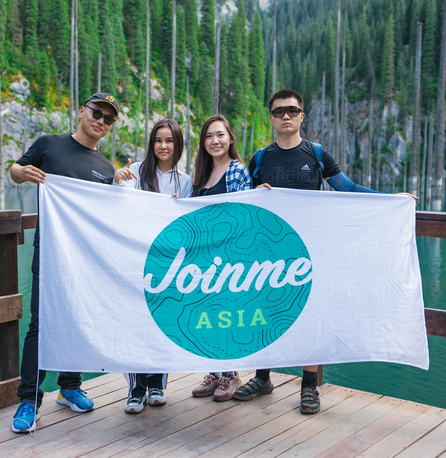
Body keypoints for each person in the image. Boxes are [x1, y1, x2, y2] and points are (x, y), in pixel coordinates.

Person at [233, 88, 416, 415]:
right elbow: (241, 204)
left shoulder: (316, 154)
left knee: (311, 315)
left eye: (292, 110)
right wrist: (253, 192)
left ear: (302, 115)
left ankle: (309, 387)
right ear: (271, 118)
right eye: (278, 112)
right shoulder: (260, 159)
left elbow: (349, 189)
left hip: (310, 251)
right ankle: (262, 378)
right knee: (264, 313)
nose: (285, 116)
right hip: (268, 253)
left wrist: (391, 200)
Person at [8, 92, 120, 433]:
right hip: (51, 252)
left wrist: (123, 186)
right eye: (97, 112)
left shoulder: (106, 169)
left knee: (78, 320)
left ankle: (70, 386)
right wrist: (22, 173)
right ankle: (29, 399)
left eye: (109, 118)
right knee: (40, 323)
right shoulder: (49, 144)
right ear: (82, 111)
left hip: (86, 259)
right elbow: (14, 169)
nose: (101, 120)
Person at [112, 119, 193, 413]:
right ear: (151, 143)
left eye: (169, 141)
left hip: (167, 264)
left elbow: (187, 225)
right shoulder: (135, 172)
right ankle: (136, 388)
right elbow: (118, 203)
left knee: (162, 322)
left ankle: (157, 383)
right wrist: (116, 180)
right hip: (135, 259)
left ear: (178, 145)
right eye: (158, 140)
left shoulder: (184, 181)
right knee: (135, 322)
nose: (163, 146)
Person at [189, 115, 252, 401]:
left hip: (229, 259)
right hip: (204, 259)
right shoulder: (201, 174)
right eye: (209, 136)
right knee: (209, 315)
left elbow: (243, 214)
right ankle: (215, 371)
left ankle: (231, 374)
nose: (215, 141)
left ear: (230, 139)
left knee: (227, 316)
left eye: (220, 135)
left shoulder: (237, 171)